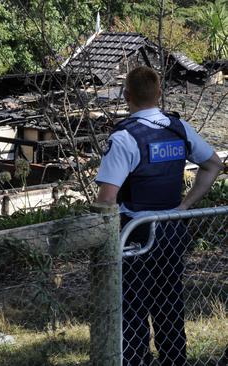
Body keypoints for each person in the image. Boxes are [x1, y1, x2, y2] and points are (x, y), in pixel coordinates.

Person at [95, 66, 223, 366]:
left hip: (135, 234)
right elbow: (213, 165)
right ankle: (175, 359)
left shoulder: (125, 137)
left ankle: (136, 360)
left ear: (127, 96)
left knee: (132, 306)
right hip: (172, 230)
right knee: (169, 302)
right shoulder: (179, 129)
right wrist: (184, 207)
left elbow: (107, 198)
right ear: (159, 93)